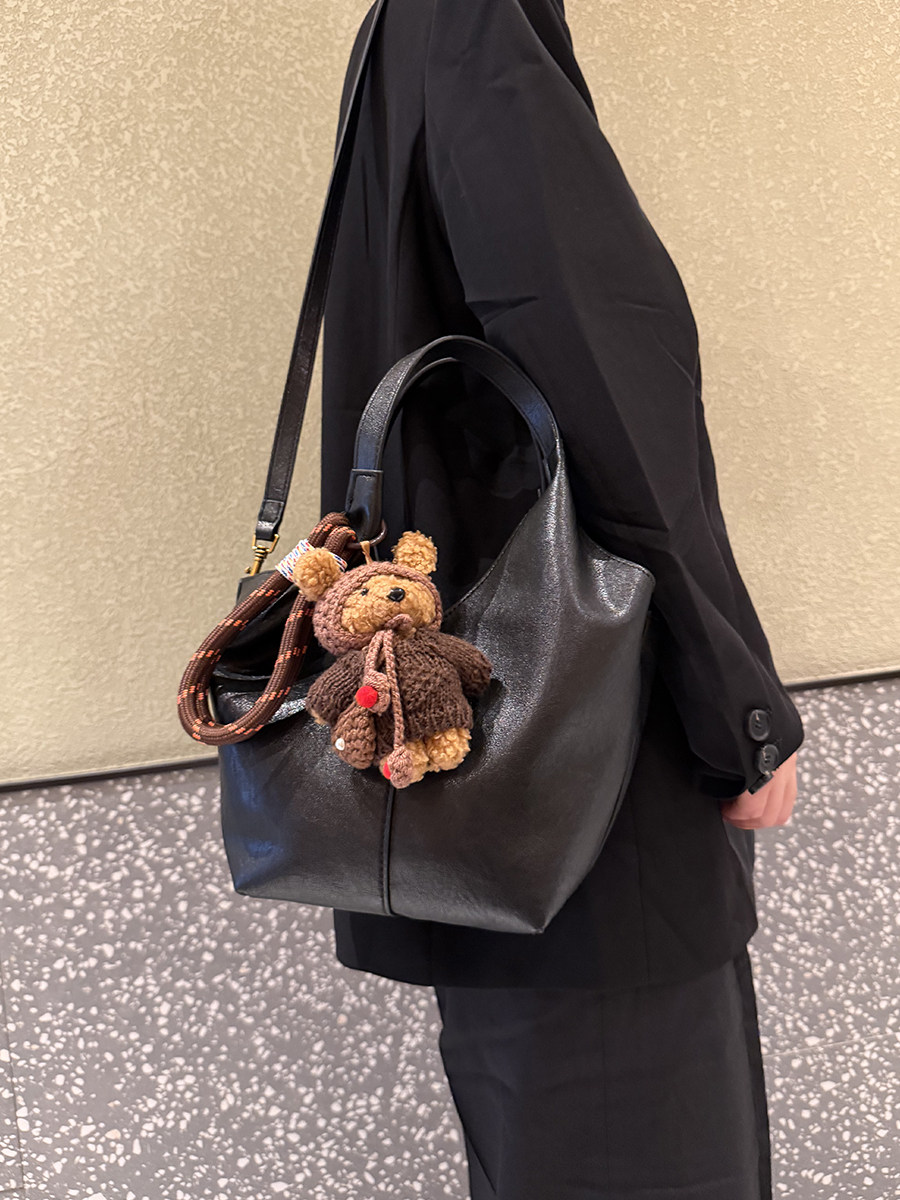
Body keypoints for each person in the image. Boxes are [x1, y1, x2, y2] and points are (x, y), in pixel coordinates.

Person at [319, 0, 804, 1195]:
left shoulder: (415, 28)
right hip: (586, 790)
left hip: (496, 783)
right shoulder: (475, 22)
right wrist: (738, 712)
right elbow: (597, 373)